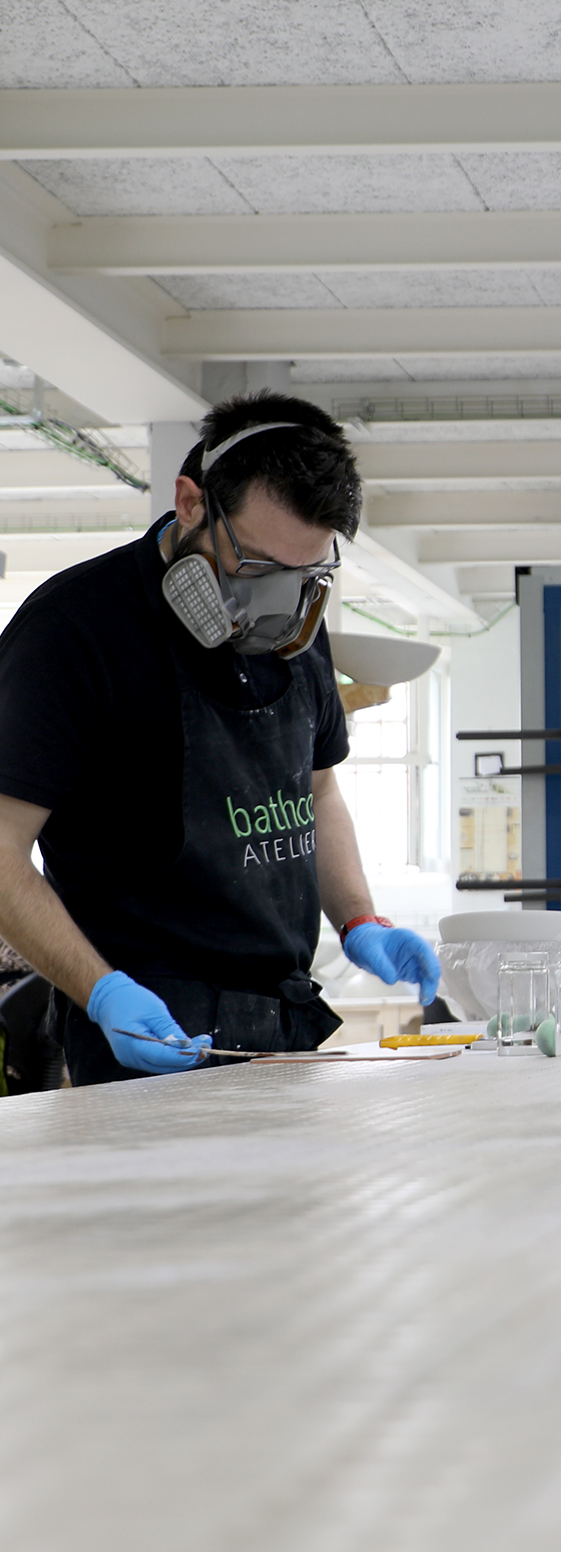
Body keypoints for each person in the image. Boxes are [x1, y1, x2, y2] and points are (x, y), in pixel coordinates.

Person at [0, 391, 439, 1082]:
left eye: (304, 573)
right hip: (148, 1031)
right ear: (190, 503)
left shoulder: (299, 629)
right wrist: (102, 992)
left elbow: (318, 791)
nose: (278, 602)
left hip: (283, 1022)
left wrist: (359, 920)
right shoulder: (75, 632)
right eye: (257, 568)